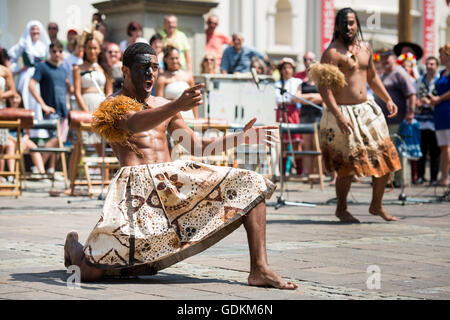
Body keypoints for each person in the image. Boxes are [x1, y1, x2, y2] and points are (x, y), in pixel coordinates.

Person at [63, 42, 296, 290]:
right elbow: (133, 124)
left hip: (170, 184)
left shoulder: (164, 104)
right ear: (126, 71)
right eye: (144, 67)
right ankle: (73, 245)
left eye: (154, 67)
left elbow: (197, 146)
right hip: (136, 189)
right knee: (89, 273)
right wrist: (175, 105)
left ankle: (259, 269)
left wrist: (241, 137)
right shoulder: (112, 105)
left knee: (253, 185)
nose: (151, 73)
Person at [311, 7, 401, 223]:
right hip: (342, 113)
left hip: (366, 111)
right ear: (337, 26)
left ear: (357, 24)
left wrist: (387, 98)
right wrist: (339, 116)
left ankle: (376, 205)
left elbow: (372, 77)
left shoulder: (366, 48)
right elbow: (325, 89)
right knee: (346, 165)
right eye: (344, 23)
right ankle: (341, 208)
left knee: (386, 158)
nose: (348, 27)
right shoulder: (331, 53)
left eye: (352, 23)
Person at [375, 48, 416, 188]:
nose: (385, 60)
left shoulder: (399, 72)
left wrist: (411, 112)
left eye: (388, 57)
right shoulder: (383, 74)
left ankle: (401, 180)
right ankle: (390, 179)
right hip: (383, 120)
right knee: (386, 150)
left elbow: (411, 94)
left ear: (394, 58)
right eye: (383, 57)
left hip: (397, 119)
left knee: (398, 150)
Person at [28, 41, 69, 175]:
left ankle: (50, 169)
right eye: (54, 51)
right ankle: (39, 166)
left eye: (59, 51)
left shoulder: (63, 69)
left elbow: (65, 89)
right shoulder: (42, 66)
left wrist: (67, 103)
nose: (57, 54)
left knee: (59, 141)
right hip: (51, 110)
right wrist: (43, 105)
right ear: (49, 52)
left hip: (63, 111)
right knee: (56, 138)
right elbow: (31, 85)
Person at [8, 20, 51, 140]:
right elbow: (10, 57)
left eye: (37, 30)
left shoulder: (44, 46)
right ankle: (26, 131)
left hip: (40, 77)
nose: (35, 32)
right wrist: (18, 70)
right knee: (27, 101)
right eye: (33, 30)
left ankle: (38, 133)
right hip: (27, 77)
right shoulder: (24, 44)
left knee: (39, 102)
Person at [4, 92, 46, 176]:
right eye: (12, 98)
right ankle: (12, 174)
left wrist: (23, 139)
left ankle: (42, 173)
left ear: (21, 99)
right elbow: (4, 131)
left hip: (22, 137)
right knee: (10, 145)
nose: (15, 100)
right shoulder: (4, 112)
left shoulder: (24, 112)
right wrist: (15, 140)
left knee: (33, 146)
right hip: (9, 137)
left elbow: (27, 132)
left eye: (17, 98)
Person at [415, 56, 440, 186]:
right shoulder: (419, 80)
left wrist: (430, 101)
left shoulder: (439, 80)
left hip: (435, 120)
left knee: (435, 151)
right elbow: (413, 95)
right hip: (421, 120)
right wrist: (418, 102)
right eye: (428, 64)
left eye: (432, 64)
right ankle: (420, 176)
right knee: (421, 150)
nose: (429, 66)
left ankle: (434, 177)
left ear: (436, 66)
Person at [275, 57, 303, 175]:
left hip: (293, 113)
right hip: (280, 112)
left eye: (289, 68)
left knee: (296, 142)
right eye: (285, 68)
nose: (287, 70)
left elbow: (295, 97)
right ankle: (282, 172)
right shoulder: (276, 83)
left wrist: (290, 99)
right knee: (282, 143)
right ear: (281, 70)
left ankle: (299, 171)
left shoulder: (297, 82)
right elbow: (277, 99)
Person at [155, 45, 197, 119]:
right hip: (171, 118)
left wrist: (196, 119)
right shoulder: (162, 79)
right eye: (171, 58)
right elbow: (159, 104)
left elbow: (194, 100)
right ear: (165, 59)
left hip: (189, 117)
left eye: (176, 58)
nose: (175, 61)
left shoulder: (188, 76)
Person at [428, 44, 450, 187]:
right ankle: (443, 176)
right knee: (443, 146)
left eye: (441, 54)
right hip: (439, 112)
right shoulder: (442, 73)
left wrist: (439, 99)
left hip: (448, 110)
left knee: (448, 146)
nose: (440, 57)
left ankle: (446, 176)